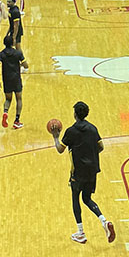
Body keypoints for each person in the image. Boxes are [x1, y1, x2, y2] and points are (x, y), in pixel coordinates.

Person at [52, 102, 115, 245]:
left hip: (78, 172)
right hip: (92, 170)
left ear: (75, 114)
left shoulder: (71, 131)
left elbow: (60, 149)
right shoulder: (93, 129)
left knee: (76, 199)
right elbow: (101, 147)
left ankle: (80, 233)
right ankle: (104, 222)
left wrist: (56, 137)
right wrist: (89, 153)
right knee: (87, 198)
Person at [0, 36, 27, 130]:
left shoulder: (1, 54)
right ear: (12, 42)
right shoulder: (18, 53)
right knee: (19, 99)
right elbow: (26, 65)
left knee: (8, 99)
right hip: (16, 79)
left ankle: (5, 112)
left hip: (6, 79)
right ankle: (17, 121)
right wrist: (20, 64)